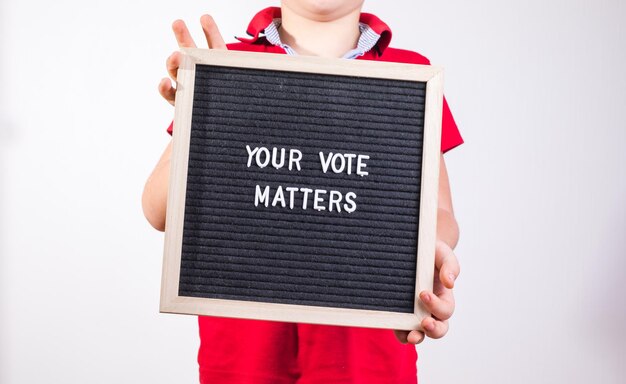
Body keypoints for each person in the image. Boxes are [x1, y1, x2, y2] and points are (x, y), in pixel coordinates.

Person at [142, 1, 462, 383]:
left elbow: (440, 214)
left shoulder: (411, 75)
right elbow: (158, 209)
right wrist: (207, 110)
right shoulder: (228, 63)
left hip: (369, 362)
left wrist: (430, 260)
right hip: (244, 363)